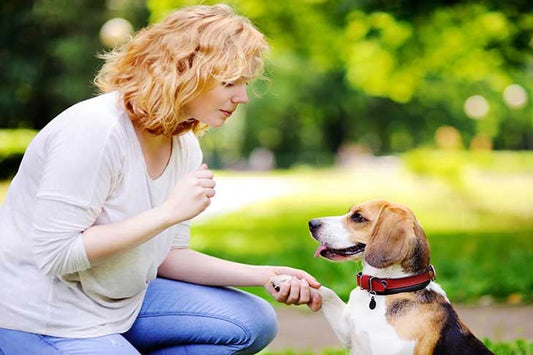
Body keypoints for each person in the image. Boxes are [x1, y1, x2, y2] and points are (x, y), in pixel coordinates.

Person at [0, 4, 322, 354]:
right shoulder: (95, 130)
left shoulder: (183, 144)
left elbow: (168, 257)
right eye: (230, 82)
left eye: (245, 83)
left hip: (122, 304)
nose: (242, 97)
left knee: (253, 320)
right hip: (44, 314)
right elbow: (57, 254)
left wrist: (264, 274)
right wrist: (167, 212)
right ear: (184, 71)